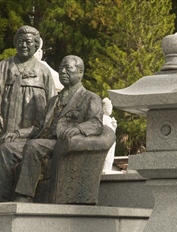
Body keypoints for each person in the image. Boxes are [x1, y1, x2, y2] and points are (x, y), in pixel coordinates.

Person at [0, 55, 103, 202]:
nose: (63, 72)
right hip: (43, 141)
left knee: (34, 145)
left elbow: (96, 123)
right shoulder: (53, 100)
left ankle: (25, 195)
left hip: (62, 143)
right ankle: (3, 196)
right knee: (6, 148)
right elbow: (38, 127)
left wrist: (79, 129)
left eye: (68, 68)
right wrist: (17, 132)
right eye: (61, 68)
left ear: (80, 73)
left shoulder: (90, 98)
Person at [0, 25, 56, 138]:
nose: (24, 45)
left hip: (33, 131)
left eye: (28, 42)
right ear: (15, 43)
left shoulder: (43, 71)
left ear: (36, 45)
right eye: (20, 41)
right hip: (5, 127)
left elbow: (52, 103)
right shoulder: (4, 66)